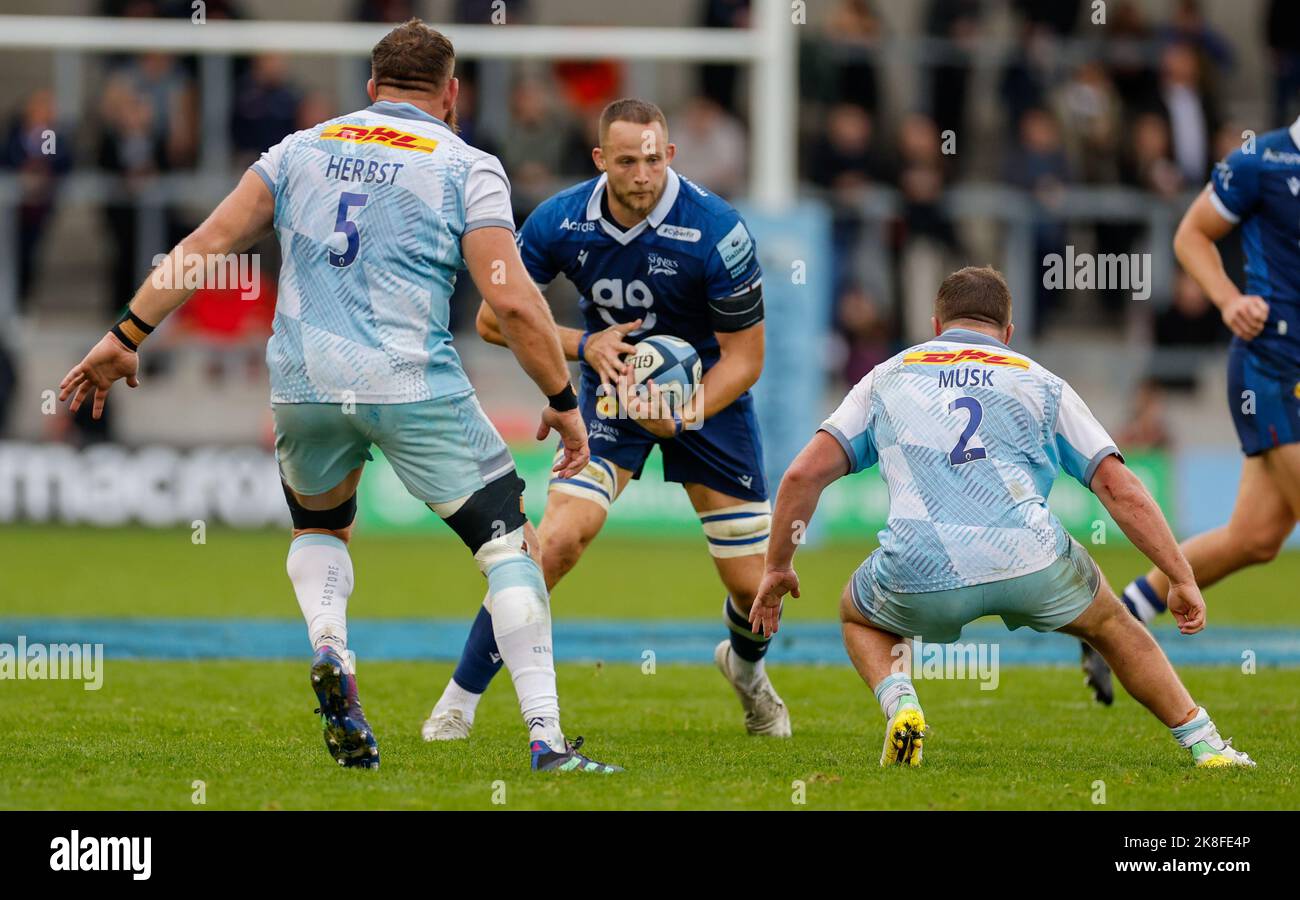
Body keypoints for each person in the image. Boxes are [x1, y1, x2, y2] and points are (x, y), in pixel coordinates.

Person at [58, 19, 619, 775]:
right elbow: (513, 301)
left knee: (321, 528)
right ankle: (548, 742)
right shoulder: (465, 163)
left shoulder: (299, 148)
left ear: (370, 89)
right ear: (452, 94)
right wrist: (560, 394)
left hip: (304, 379)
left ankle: (329, 645)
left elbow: (204, 245)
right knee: (507, 546)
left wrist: (126, 334)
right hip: (409, 379)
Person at [749, 266, 1253, 769]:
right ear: (1008, 332)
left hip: (921, 568)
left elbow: (801, 476)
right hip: (1030, 562)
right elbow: (1120, 488)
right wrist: (1180, 576)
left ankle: (901, 703)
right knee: (1115, 627)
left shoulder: (887, 376)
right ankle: (1205, 742)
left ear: (936, 324)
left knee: (859, 615)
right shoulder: (1042, 382)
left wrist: (777, 567)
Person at [422, 98, 785, 741]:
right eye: (626, 161)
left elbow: (748, 359)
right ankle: (457, 703)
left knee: (752, 587)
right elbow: (490, 320)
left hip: (707, 401)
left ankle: (748, 676)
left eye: (653, 159)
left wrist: (686, 409)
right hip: (611, 397)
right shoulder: (559, 221)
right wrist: (582, 343)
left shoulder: (717, 229)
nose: (642, 173)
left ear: (670, 156)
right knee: (556, 542)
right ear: (600, 161)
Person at [1082, 116, 1300, 704]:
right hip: (1272, 369)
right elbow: (1190, 235)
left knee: (1254, 539)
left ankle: (1122, 615)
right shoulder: (1261, 161)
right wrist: (1229, 300)